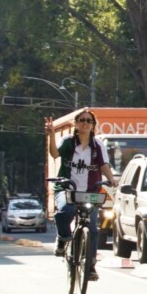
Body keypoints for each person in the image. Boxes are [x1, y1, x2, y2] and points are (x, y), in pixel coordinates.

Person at [45, 109, 117, 281]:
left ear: (93, 125)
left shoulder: (98, 145)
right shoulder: (68, 141)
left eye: (89, 121)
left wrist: (111, 180)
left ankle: (90, 265)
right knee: (65, 210)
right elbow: (55, 154)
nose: (85, 123)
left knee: (92, 228)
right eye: (82, 120)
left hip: (90, 191)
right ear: (76, 124)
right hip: (67, 188)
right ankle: (63, 239)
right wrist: (51, 135)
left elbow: (104, 165)